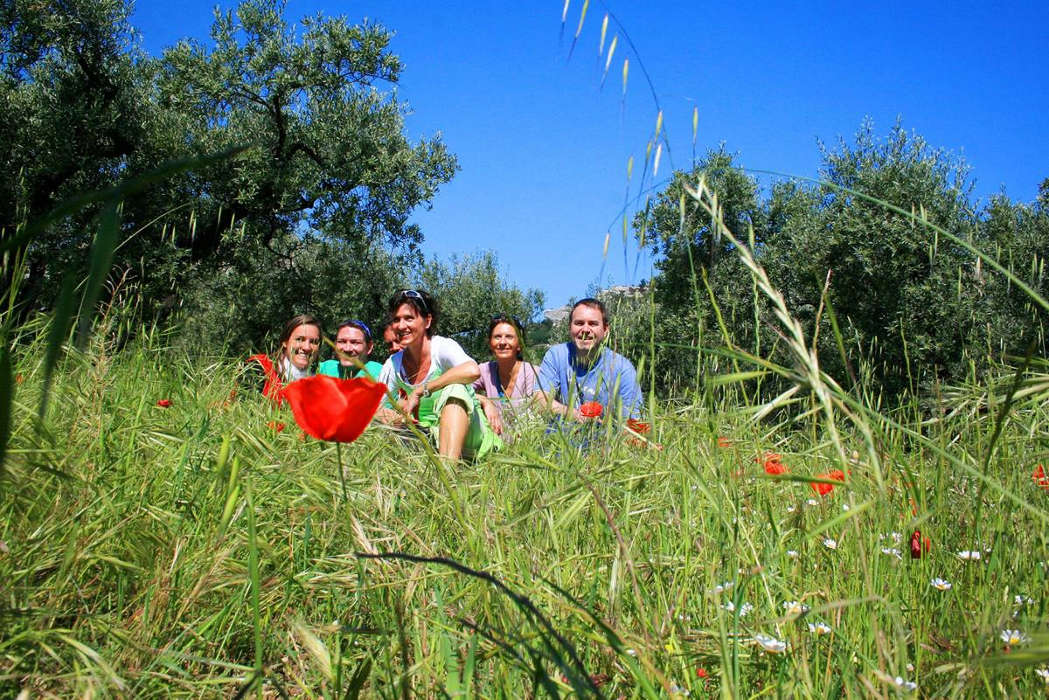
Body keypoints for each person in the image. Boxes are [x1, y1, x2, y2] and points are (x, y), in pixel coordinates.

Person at [375, 290, 500, 459]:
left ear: (427, 321)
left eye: (409, 318)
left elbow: (472, 370)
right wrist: (397, 419)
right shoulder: (393, 364)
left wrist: (422, 389)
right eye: (396, 319)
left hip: (473, 436)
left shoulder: (442, 347)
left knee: (456, 389)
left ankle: (448, 474)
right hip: (431, 436)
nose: (401, 326)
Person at [536, 298, 642, 421]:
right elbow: (539, 399)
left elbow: (632, 421)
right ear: (570, 328)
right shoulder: (556, 355)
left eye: (593, 324)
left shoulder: (623, 368)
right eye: (579, 323)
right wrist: (575, 415)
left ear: (606, 330)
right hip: (559, 437)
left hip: (605, 438)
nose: (585, 330)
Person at [474, 314, 539, 436]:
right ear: (490, 343)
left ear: (519, 344)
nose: (502, 342)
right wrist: (484, 401)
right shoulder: (485, 370)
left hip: (526, 447)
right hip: (493, 448)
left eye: (509, 337)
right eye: (497, 337)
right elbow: (459, 389)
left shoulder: (532, 374)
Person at [247, 314, 322, 402]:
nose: (307, 347)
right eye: (299, 339)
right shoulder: (259, 368)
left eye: (314, 342)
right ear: (285, 342)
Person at [318, 319, 383, 380]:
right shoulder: (326, 370)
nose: (347, 349)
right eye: (342, 342)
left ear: (369, 347)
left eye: (355, 342)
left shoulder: (381, 374)